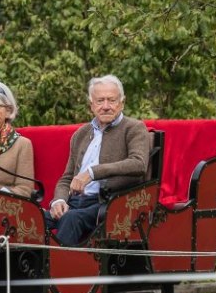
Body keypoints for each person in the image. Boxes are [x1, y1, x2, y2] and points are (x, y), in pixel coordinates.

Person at [50, 75, 154, 246]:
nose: (106, 106)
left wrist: (92, 173)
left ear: (122, 103)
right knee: (34, 219)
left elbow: (139, 163)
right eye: (100, 101)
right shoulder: (81, 134)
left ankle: (56, 271)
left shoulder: (134, 128)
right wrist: (59, 200)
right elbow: (67, 178)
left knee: (71, 219)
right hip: (74, 203)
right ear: (91, 105)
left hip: (108, 203)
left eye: (111, 100)